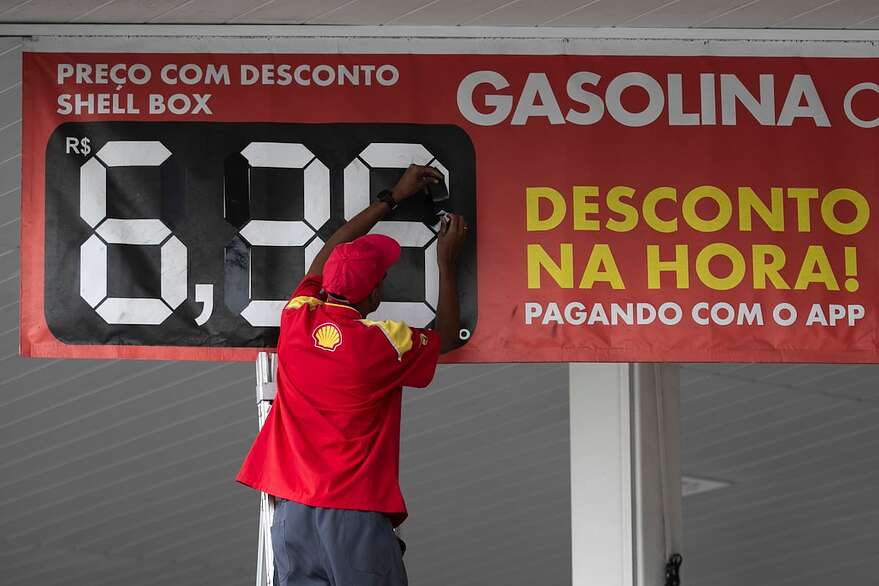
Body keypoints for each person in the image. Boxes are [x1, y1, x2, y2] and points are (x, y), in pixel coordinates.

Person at [236, 164, 469, 586]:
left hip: (293, 513)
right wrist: (446, 263)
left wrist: (391, 197)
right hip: (353, 514)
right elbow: (448, 338)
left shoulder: (298, 318)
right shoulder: (381, 343)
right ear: (376, 292)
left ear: (327, 284)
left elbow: (329, 250)